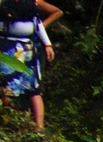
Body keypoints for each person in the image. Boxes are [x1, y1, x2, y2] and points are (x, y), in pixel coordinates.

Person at [0, 0, 63, 130]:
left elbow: (38, 25)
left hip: (25, 50)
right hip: (6, 48)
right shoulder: (4, 5)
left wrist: (48, 45)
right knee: (6, 87)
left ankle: (39, 127)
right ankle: (10, 122)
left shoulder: (31, 5)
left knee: (33, 89)